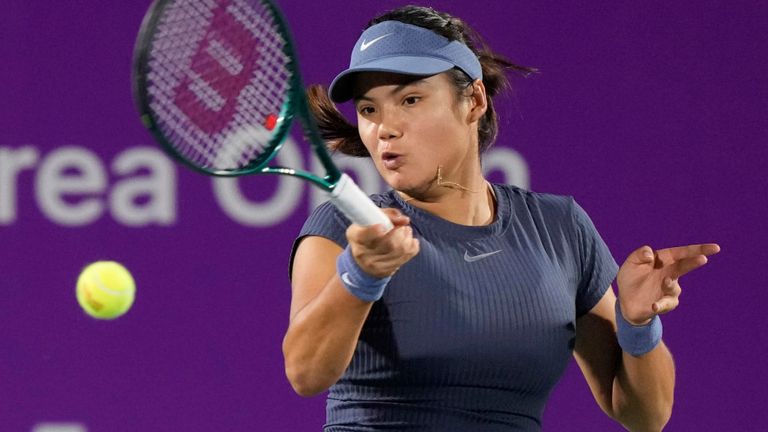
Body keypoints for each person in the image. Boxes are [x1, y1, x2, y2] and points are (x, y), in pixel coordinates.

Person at [283, 5, 720, 431]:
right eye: (369, 110)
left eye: (410, 99)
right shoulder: (342, 229)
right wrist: (361, 274)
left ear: (473, 100)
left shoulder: (560, 227)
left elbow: (646, 416)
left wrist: (638, 324)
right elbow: (305, 373)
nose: (385, 128)